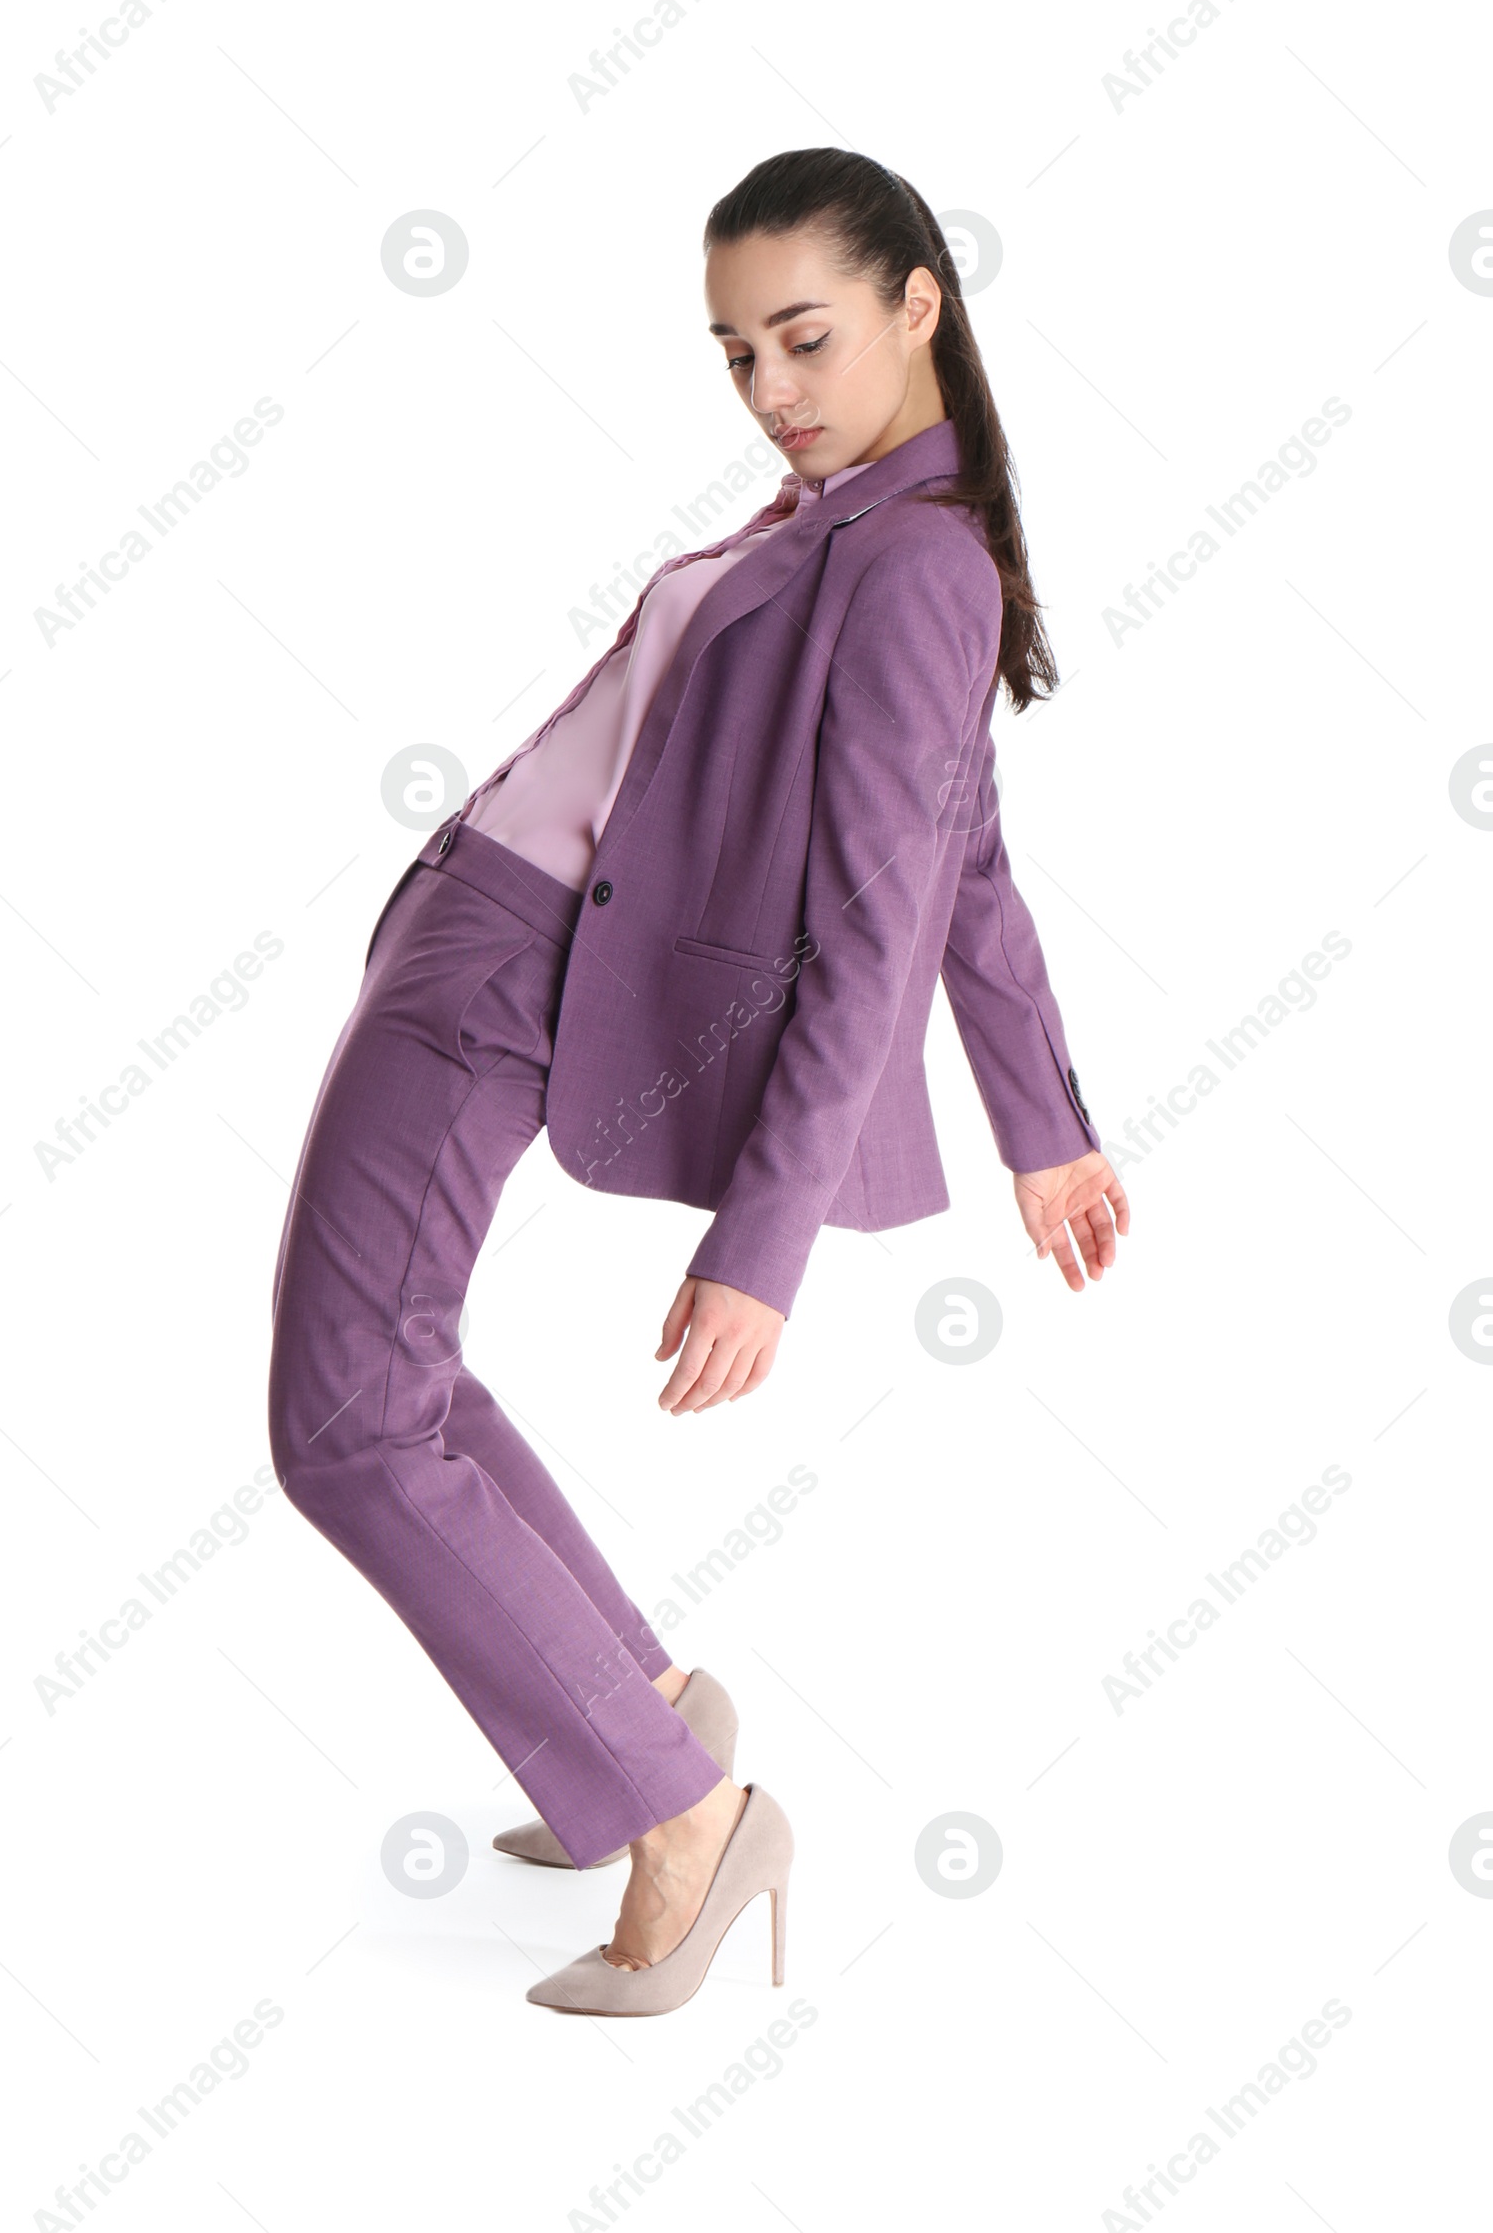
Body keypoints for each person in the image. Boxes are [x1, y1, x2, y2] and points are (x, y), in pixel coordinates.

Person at [266, 146, 1129, 2018]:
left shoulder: (910, 561)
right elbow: (961, 856)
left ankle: (682, 1811)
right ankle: (634, 1721)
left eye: (805, 340)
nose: (772, 391)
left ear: (923, 302)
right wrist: (1042, 1130)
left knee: (341, 1419)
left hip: (517, 969)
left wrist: (767, 1242)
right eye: (737, 354)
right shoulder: (834, 520)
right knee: (391, 1384)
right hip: (478, 934)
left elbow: (897, 907)